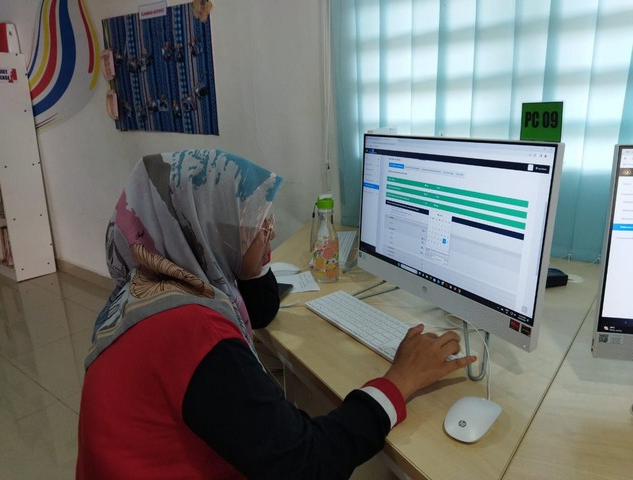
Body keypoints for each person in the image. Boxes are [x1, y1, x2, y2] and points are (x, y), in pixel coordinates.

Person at [76, 149, 476, 479]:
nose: (269, 235)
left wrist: (250, 260)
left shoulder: (149, 284)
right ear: (207, 234)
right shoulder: (193, 333)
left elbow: (259, 312)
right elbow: (306, 464)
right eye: (255, 227)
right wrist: (399, 380)